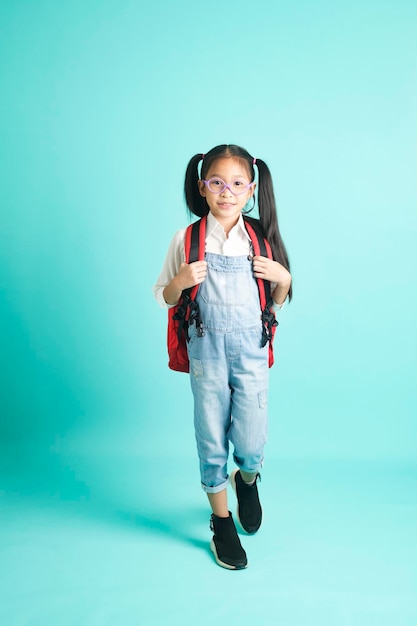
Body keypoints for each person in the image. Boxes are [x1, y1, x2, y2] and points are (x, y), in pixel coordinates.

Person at [153, 144, 292, 570]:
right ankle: (220, 520)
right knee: (211, 438)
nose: (226, 192)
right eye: (216, 183)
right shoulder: (186, 239)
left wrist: (284, 279)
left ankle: (246, 479)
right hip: (206, 354)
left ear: (251, 188)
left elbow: (275, 305)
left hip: (250, 352)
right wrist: (178, 281)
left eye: (236, 184)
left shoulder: (261, 241)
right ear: (202, 187)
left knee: (251, 440)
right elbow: (164, 297)